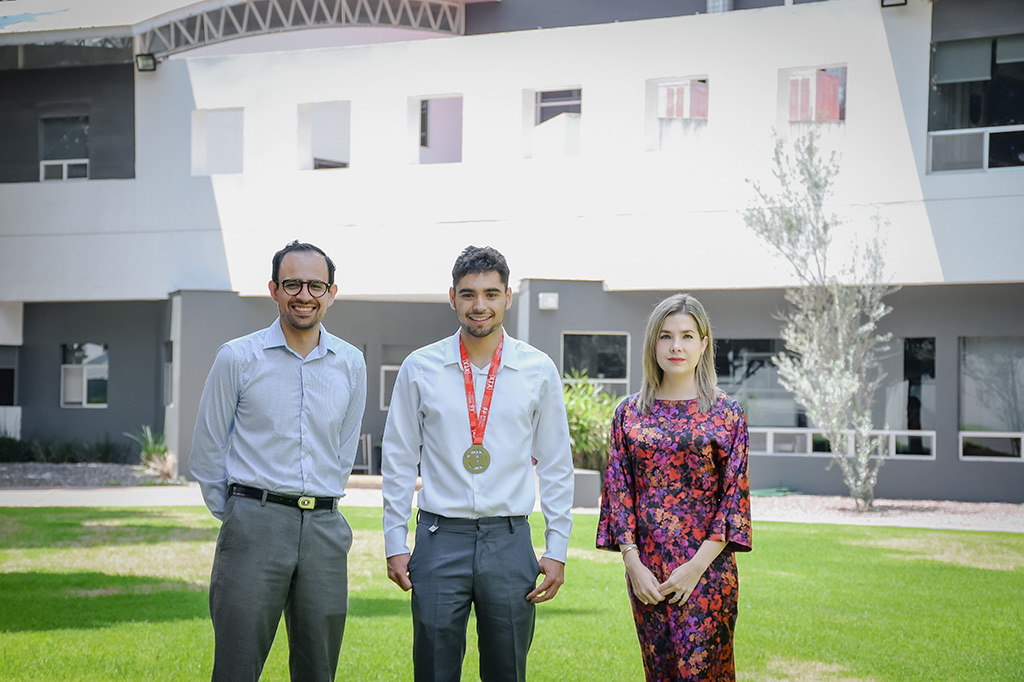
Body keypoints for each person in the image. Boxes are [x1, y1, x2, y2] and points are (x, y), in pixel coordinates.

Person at [381, 245, 575, 682]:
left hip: (509, 541)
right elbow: (397, 460)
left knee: (507, 670)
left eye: (491, 293)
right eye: (468, 294)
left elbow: (557, 465)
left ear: (508, 298)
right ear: (452, 298)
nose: (480, 305)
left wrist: (557, 548)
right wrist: (395, 540)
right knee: (433, 670)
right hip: (438, 539)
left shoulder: (537, 369)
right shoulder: (420, 367)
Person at [190, 240, 367, 682]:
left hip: (325, 531)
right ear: (273, 289)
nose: (303, 295)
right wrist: (239, 511)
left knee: (318, 669)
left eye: (315, 285)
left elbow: (344, 450)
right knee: (236, 666)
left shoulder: (351, 363)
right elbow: (207, 450)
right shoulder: (237, 357)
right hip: (254, 524)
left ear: (331, 292)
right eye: (292, 284)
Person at [596, 293, 752, 682]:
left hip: (707, 572)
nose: (676, 346)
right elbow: (618, 491)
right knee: (659, 672)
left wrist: (695, 568)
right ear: (653, 344)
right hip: (647, 573)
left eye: (686, 335)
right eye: (665, 336)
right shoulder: (628, 413)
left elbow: (734, 499)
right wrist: (631, 563)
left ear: (704, 344)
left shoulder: (726, 413)